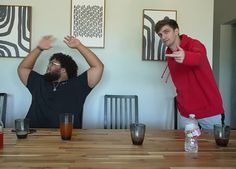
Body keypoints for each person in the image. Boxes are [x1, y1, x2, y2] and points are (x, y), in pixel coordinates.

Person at [17, 35, 104, 128]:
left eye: (53, 63)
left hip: (68, 137)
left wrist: (79, 46)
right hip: (34, 135)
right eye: (49, 63)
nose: (48, 66)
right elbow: (23, 68)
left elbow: (98, 67)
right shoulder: (39, 82)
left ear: (63, 70)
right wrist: (39, 48)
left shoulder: (78, 85)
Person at [155, 18, 224, 130]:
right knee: (190, 145)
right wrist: (181, 104)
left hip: (208, 108)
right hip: (187, 112)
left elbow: (199, 57)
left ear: (176, 31)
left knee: (213, 146)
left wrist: (186, 56)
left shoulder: (194, 44)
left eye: (166, 31)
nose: (163, 37)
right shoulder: (169, 55)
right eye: (160, 34)